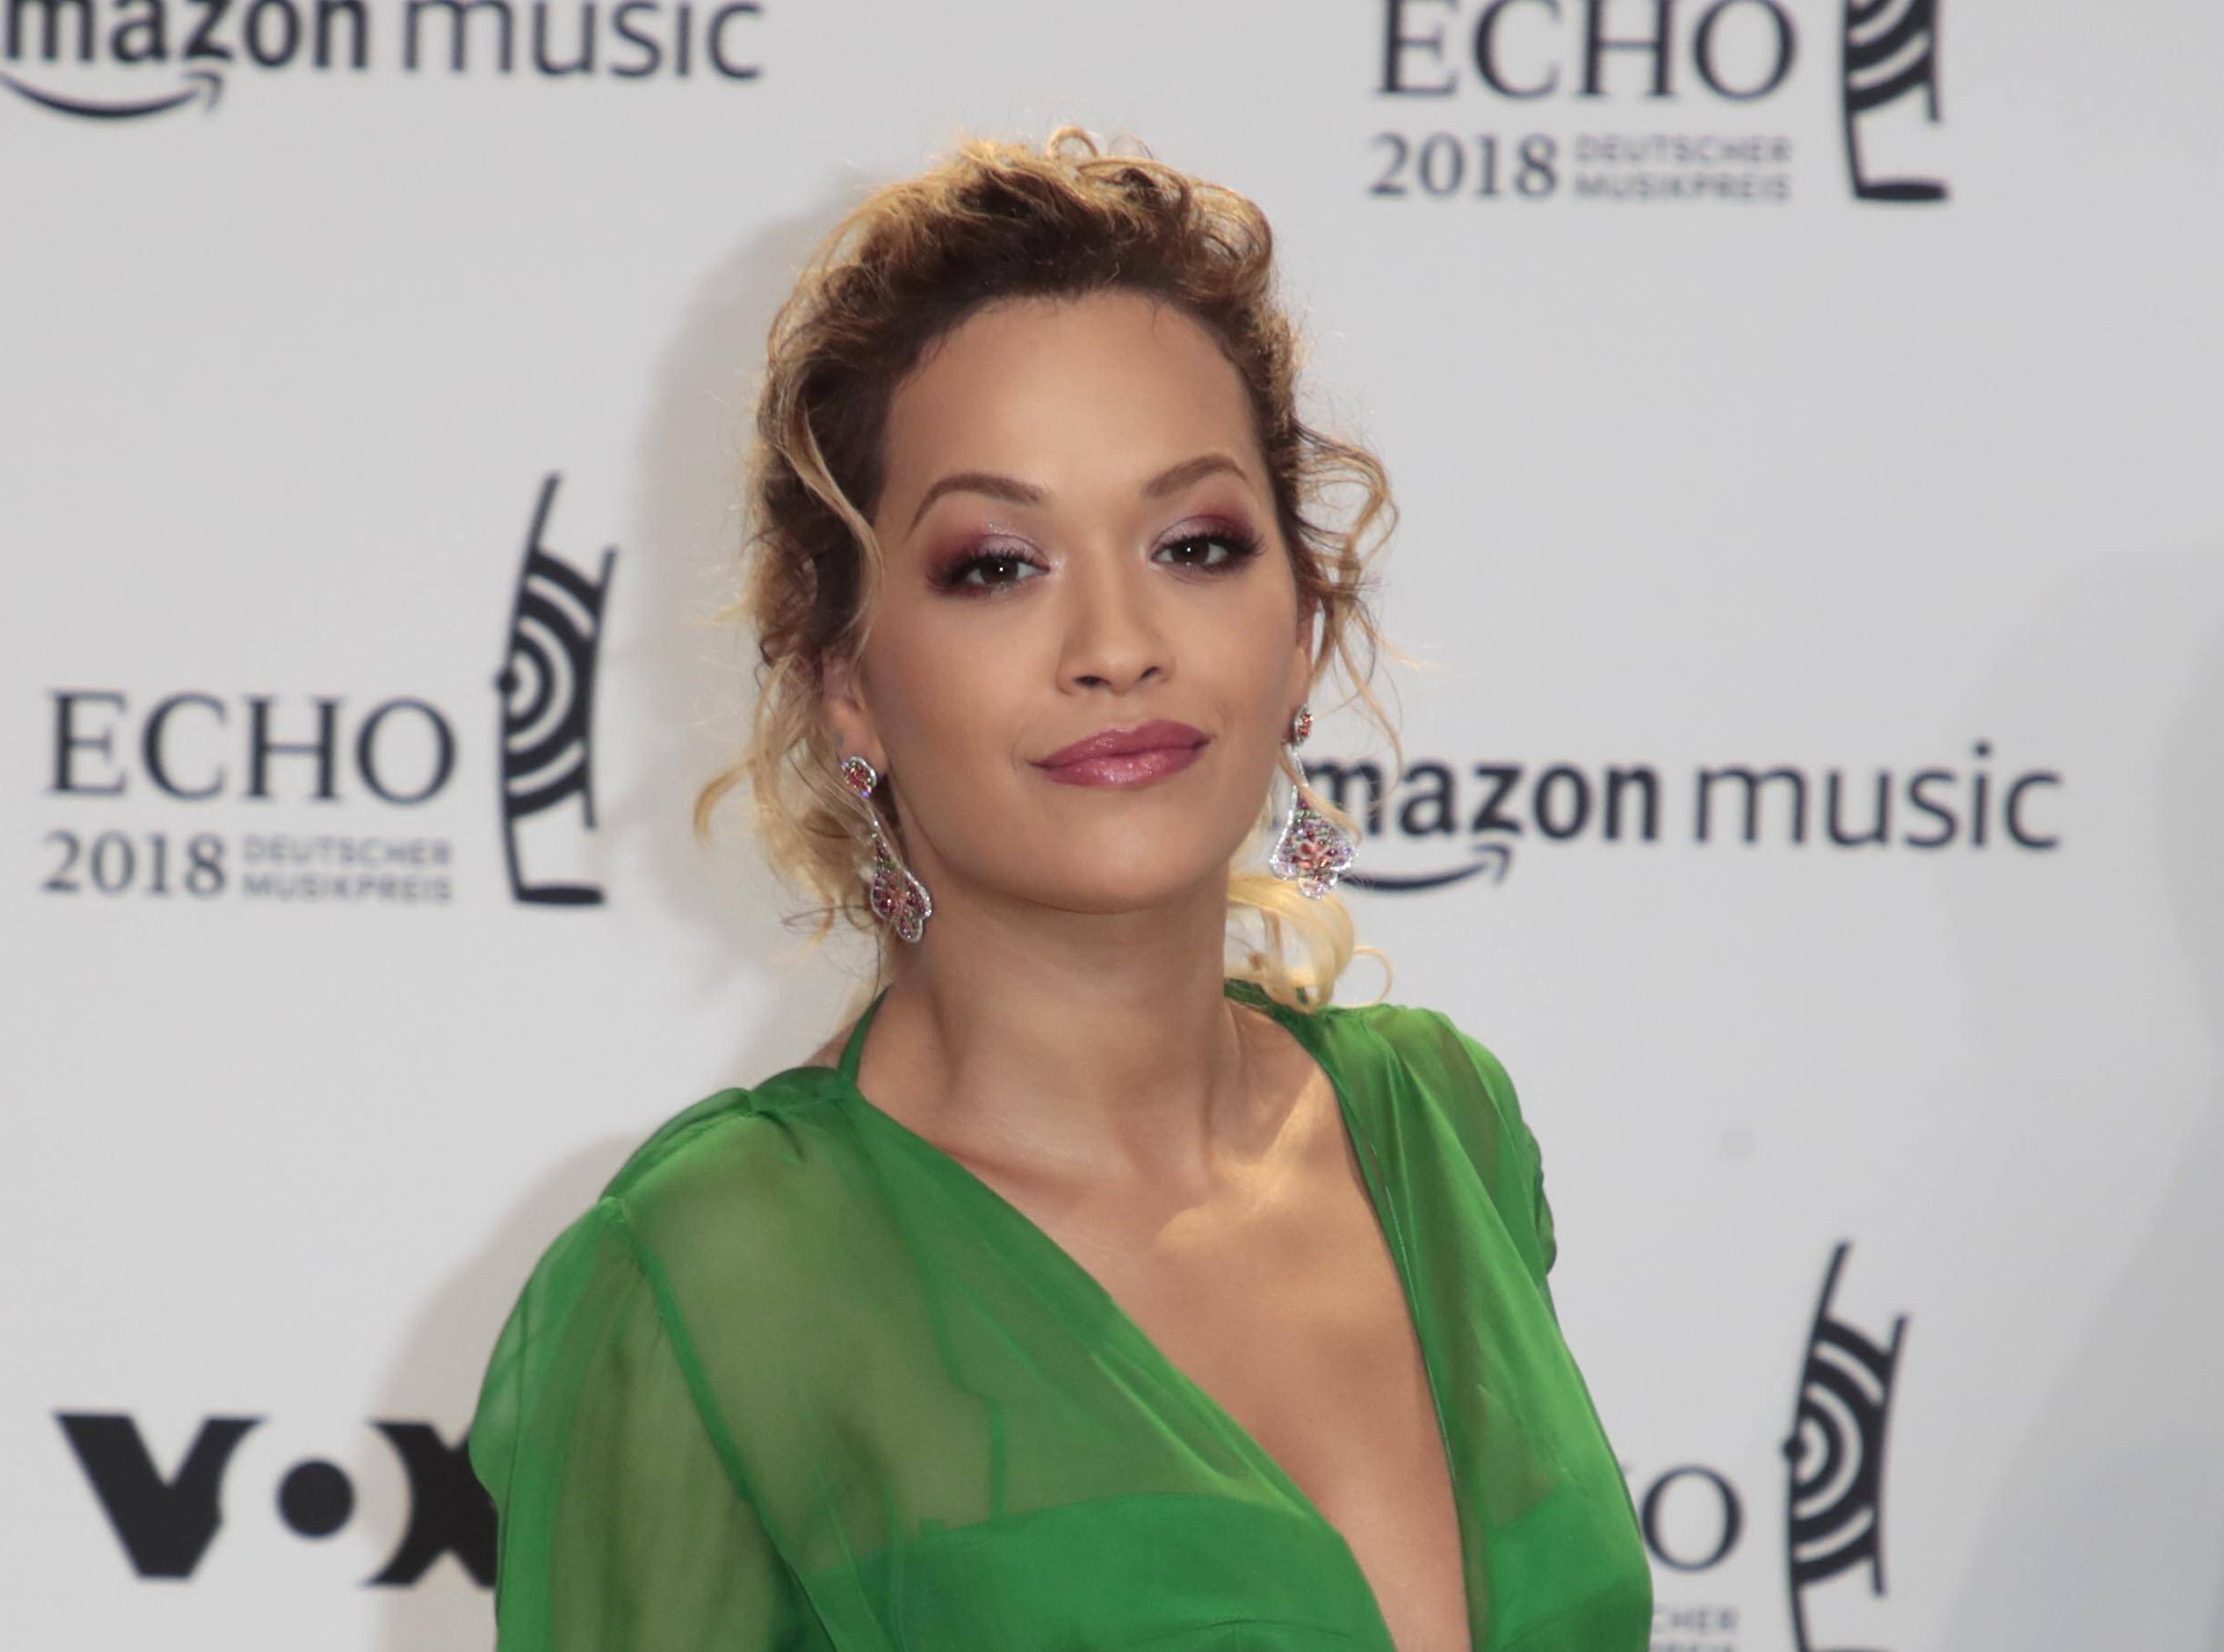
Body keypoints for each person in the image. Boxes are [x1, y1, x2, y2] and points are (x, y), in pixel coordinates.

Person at [467, 128, 1652, 1652]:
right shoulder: (717, 1277)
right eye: (996, 564)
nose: (1116, 643)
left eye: (1193, 544)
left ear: (1301, 629)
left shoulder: (1443, 1128)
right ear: (846, 683)